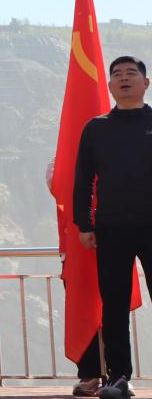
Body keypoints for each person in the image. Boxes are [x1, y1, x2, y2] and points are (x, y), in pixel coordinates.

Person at [74, 55, 152, 399]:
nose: (124, 79)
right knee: (115, 305)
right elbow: (82, 179)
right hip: (111, 229)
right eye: (117, 74)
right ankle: (119, 378)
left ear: (146, 83)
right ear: (109, 85)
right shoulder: (97, 127)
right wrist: (84, 223)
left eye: (131, 73)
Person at [44, 159, 105, 398]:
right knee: (82, 312)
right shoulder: (60, 161)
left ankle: (116, 373)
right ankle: (90, 374)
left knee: (112, 310)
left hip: (110, 241)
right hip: (74, 247)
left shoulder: (107, 154)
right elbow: (56, 184)